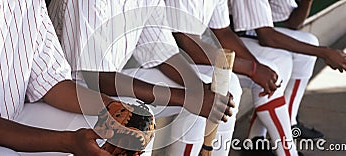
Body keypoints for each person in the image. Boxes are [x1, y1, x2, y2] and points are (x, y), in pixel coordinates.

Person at [47, 0, 237, 155]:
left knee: (216, 92)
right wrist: (186, 97)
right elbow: (96, 76)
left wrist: (198, 90)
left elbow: (161, 50)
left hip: (109, 80)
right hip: (68, 90)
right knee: (138, 122)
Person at [0, 0, 121, 155]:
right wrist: (67, 142)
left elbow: (52, 81)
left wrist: (113, 107)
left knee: (103, 126)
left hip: (12, 117)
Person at [229, 0, 346, 155]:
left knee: (307, 43)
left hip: (245, 35)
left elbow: (293, 23)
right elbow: (267, 37)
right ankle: (264, 144)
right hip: (229, 39)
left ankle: (286, 123)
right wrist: (324, 52)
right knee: (276, 67)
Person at [164, 0, 280, 155]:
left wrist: (256, 68)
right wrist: (251, 69)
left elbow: (223, 32)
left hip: (178, 59)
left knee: (229, 85)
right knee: (210, 90)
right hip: (154, 63)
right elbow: (188, 43)